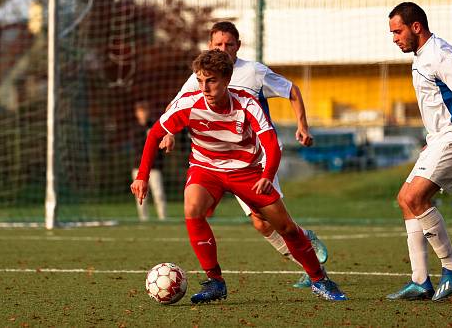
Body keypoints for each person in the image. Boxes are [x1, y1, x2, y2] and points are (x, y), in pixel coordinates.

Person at [131, 50, 347, 303]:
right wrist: (142, 176)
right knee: (192, 208)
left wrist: (267, 174)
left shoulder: (246, 103)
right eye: (200, 81)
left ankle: (319, 280)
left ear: (226, 80)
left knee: (286, 227)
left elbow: (271, 143)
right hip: (206, 168)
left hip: (247, 171)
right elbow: (155, 133)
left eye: (211, 81)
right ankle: (215, 282)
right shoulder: (189, 103)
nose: (204, 88)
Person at [160, 21, 327, 288]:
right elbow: (176, 104)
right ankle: (305, 249)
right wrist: (168, 132)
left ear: (238, 46)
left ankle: (309, 259)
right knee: (261, 225)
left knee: (273, 221)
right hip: (219, 162)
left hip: (257, 159)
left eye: (229, 44)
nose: (224, 48)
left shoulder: (254, 71)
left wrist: (302, 125)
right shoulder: (201, 75)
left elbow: (291, 90)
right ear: (210, 45)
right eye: (218, 44)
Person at [387, 2, 452, 301]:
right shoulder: (421, 56)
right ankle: (420, 281)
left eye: (397, 31)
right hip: (442, 137)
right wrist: (432, 138)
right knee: (405, 201)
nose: (394, 38)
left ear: (415, 27)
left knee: (413, 197)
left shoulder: (440, 54)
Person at [131, 100, 167, 221]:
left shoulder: (155, 126)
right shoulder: (135, 130)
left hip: (155, 167)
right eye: (140, 111)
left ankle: (163, 218)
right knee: (140, 196)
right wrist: (147, 138)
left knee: (159, 194)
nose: (143, 114)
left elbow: (161, 145)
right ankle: (143, 219)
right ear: (137, 113)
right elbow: (137, 148)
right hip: (138, 168)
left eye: (144, 111)